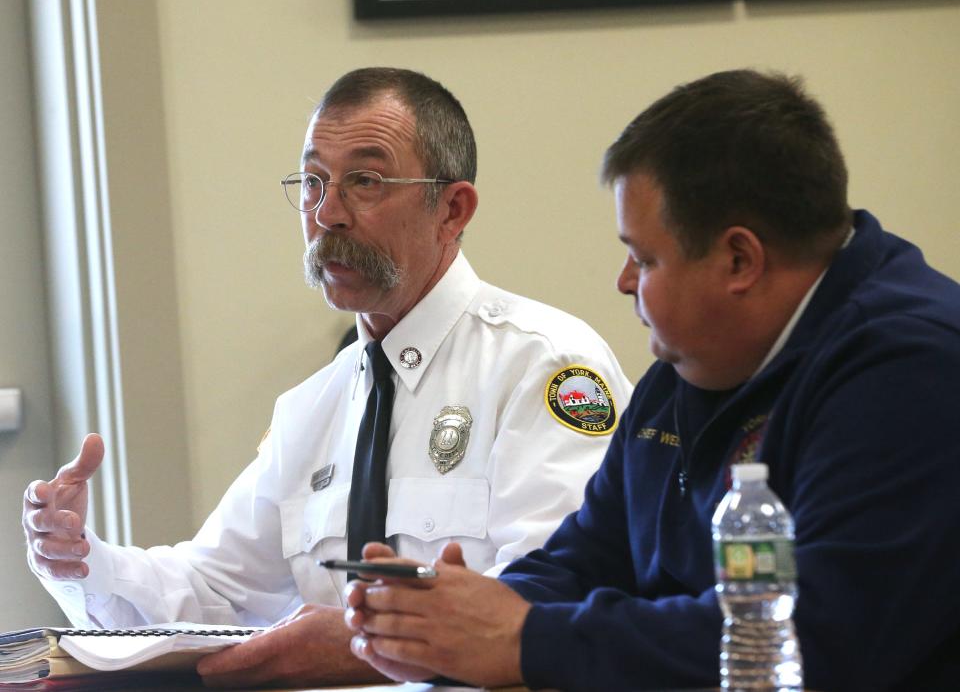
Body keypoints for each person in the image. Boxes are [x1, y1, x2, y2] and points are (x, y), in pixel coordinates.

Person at [344, 69, 960, 691]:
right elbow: (587, 559)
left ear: (738, 260)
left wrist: (525, 639)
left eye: (645, 258)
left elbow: (818, 640)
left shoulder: (914, 368)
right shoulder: (695, 360)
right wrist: (450, 621)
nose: (624, 281)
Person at [21, 67, 632, 688]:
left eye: (365, 181)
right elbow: (214, 591)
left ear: (452, 209)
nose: (328, 213)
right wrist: (80, 558)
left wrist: (360, 641)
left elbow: (553, 605)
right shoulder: (315, 405)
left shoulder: (545, 366)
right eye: (313, 182)